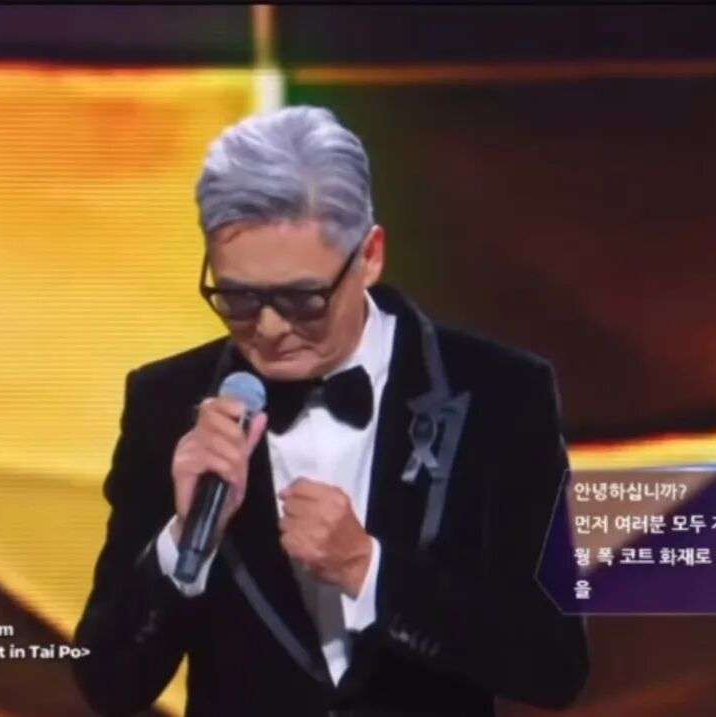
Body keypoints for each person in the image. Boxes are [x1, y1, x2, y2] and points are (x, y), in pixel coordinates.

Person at [73, 106, 589, 716]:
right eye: (237, 297)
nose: (268, 329)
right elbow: (107, 685)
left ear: (369, 255)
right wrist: (185, 540)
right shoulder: (166, 404)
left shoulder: (500, 394)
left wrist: (368, 570)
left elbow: (555, 665)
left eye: (301, 298)